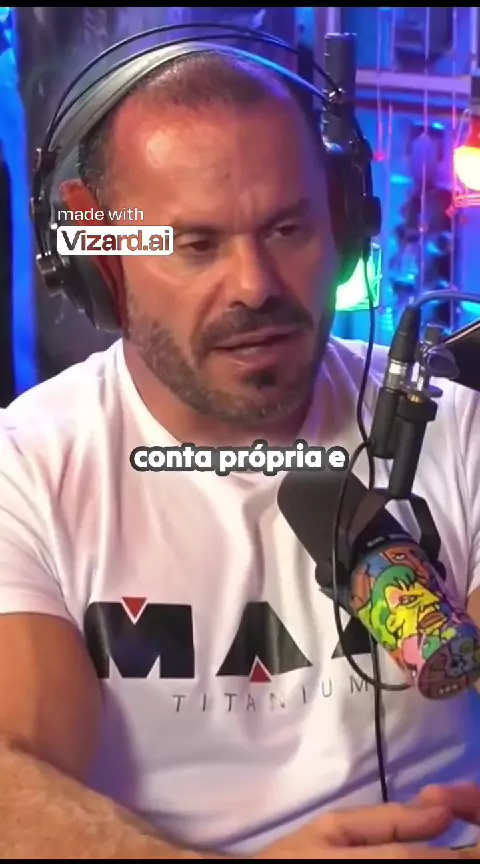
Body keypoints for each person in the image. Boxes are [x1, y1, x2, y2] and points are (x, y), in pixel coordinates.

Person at [1, 47, 480, 860]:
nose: (255, 284)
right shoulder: (27, 473)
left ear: (344, 228)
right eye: (195, 244)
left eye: (288, 229)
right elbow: (13, 774)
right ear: (102, 265)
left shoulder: (454, 430)